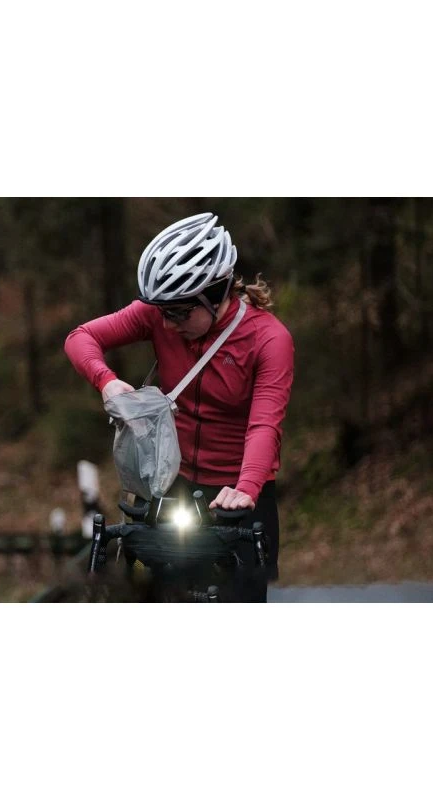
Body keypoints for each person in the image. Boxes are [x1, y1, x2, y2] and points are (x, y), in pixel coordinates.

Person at [63, 212, 294, 600]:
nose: (168, 324)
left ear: (215, 295)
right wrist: (106, 380)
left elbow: (265, 425)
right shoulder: (160, 314)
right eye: (163, 312)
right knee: (150, 594)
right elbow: (80, 337)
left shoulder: (269, 339)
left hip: (238, 493)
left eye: (179, 313)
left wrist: (246, 489)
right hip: (170, 483)